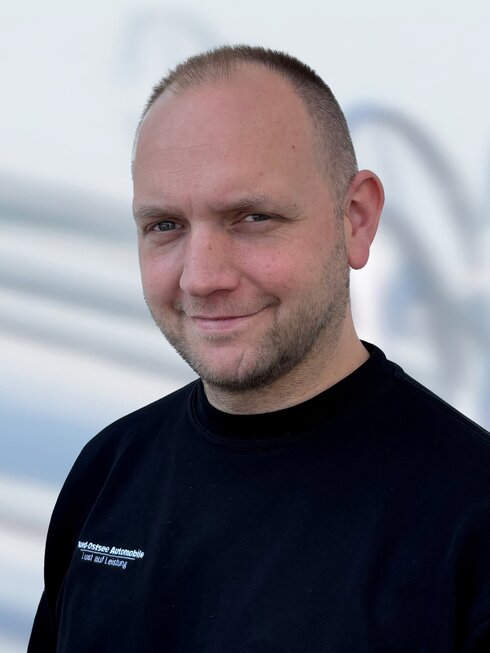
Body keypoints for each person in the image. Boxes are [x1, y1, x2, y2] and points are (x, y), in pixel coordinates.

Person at [29, 45, 490, 652]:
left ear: (355, 219)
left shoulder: (471, 514)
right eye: (165, 225)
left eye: (251, 217)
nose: (201, 277)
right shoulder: (107, 472)